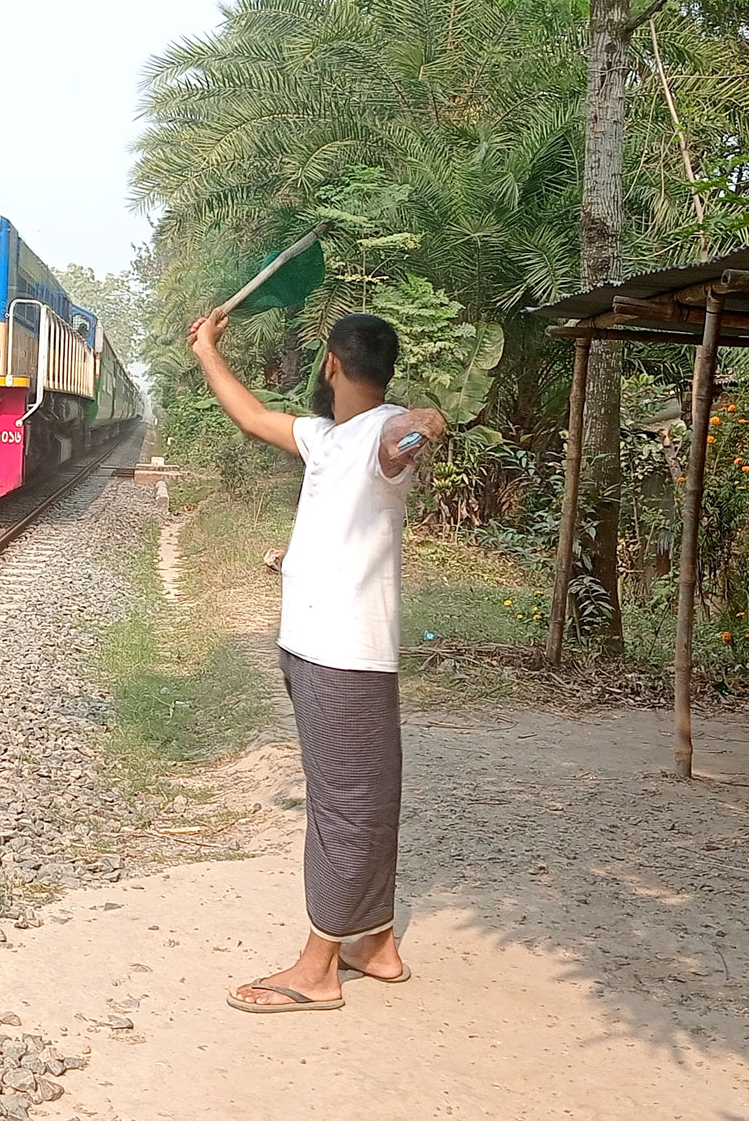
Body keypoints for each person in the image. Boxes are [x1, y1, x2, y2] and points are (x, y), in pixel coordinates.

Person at [187, 306, 446, 1013]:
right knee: (359, 796)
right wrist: (208, 348)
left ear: (332, 363)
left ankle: (317, 968)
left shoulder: (379, 435)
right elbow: (250, 416)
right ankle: (375, 942)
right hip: (314, 649)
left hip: (345, 656)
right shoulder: (327, 438)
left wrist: (423, 420)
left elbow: (406, 436)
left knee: (345, 806)